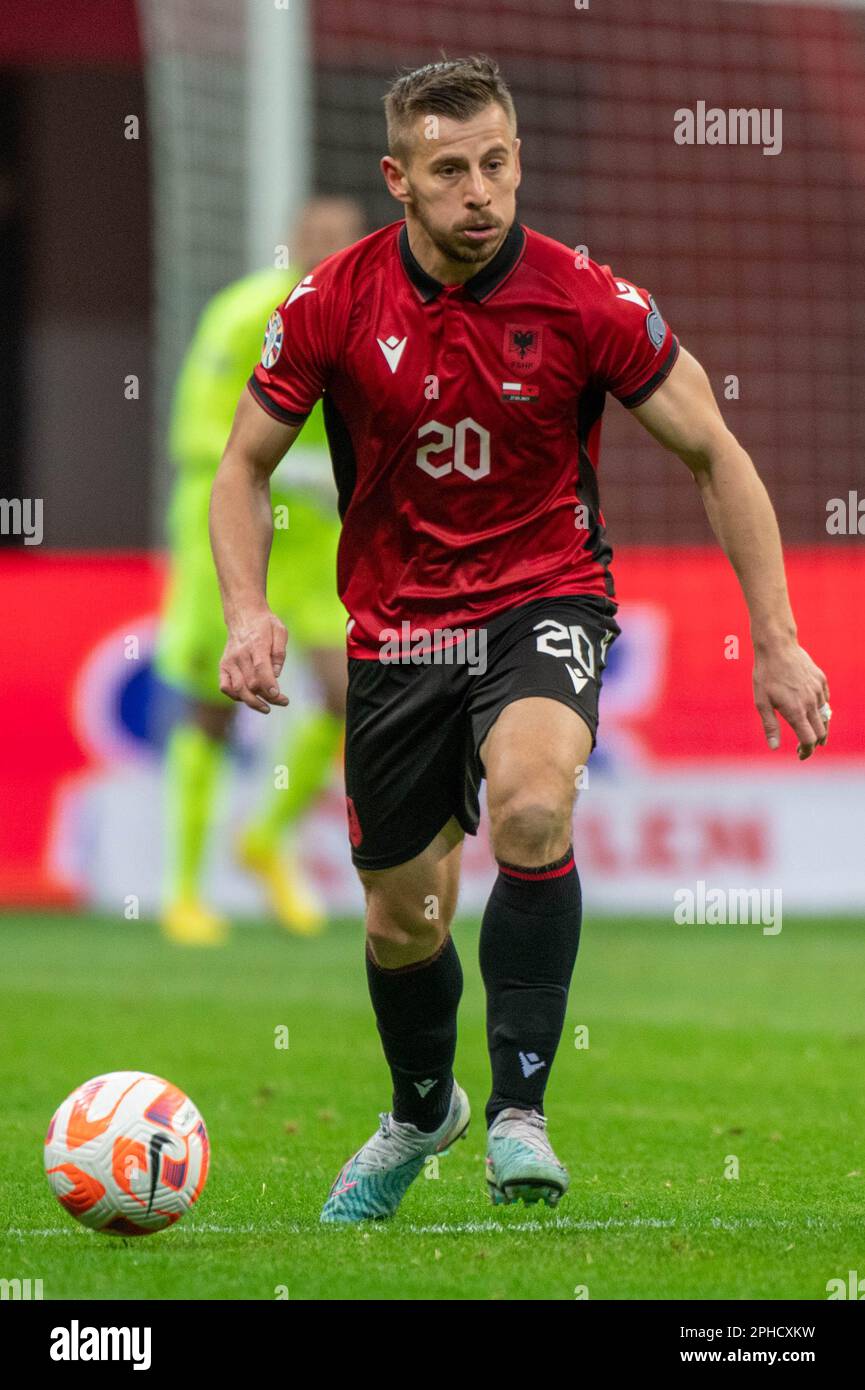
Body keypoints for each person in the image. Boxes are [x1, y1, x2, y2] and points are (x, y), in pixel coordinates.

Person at [209, 57, 831, 1220]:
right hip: (396, 632)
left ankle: (518, 1114)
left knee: (535, 802)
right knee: (405, 919)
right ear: (399, 179)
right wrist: (248, 610)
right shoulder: (332, 302)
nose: (481, 191)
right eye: (450, 171)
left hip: (544, 597)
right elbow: (242, 467)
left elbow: (716, 454)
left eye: (497, 162)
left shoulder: (584, 297)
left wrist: (780, 640)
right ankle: (420, 1108)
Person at [156, 197, 365, 947]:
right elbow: (200, 430)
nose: (326, 253)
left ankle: (266, 838)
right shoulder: (244, 313)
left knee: (352, 692)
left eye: (342, 243)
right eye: (315, 241)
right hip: (229, 517)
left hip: (313, 538)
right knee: (214, 703)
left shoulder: (362, 319)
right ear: (290, 243)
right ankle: (182, 890)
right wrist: (302, 467)